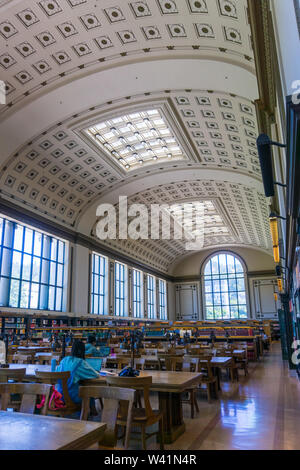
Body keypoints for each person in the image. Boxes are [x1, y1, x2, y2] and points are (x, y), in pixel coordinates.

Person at [55, 340, 99, 404]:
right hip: (72, 397)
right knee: (90, 393)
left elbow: (56, 373)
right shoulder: (80, 362)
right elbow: (94, 375)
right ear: (82, 351)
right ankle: (87, 413)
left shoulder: (64, 360)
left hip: (59, 395)